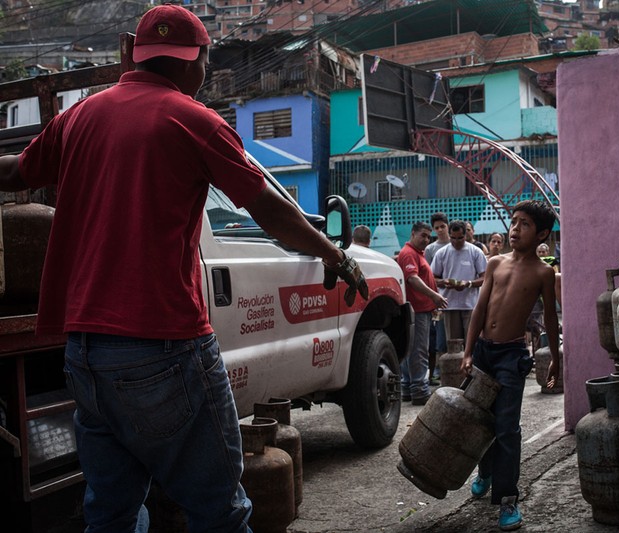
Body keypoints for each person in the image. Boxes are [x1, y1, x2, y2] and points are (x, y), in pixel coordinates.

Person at [0, 6, 368, 532]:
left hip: (84, 353)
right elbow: (270, 208)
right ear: (193, 62)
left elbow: (16, 171)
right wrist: (333, 253)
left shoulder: (81, 116)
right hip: (162, 347)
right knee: (219, 512)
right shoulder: (194, 120)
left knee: (111, 514)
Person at [461, 200, 558, 531]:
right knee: (477, 420)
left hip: (511, 357)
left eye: (525, 224)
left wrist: (556, 358)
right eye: (514, 222)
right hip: (485, 354)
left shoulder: (544, 272)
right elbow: (479, 309)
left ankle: (507, 500)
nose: (515, 229)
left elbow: (549, 319)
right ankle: (486, 470)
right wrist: (469, 351)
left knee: (506, 429)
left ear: (542, 233)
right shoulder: (494, 263)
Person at [396, 222, 447, 405]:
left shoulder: (417, 253)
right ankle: (419, 390)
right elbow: (412, 278)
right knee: (418, 351)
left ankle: (409, 388)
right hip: (416, 309)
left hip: (420, 309)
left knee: (412, 350)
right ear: (412, 234)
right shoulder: (409, 253)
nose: (426, 240)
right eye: (423, 235)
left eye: (428, 237)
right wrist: (434, 295)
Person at [430, 220, 487, 345]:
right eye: (453, 238)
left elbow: (485, 278)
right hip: (450, 306)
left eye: (460, 238)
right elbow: (432, 278)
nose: (456, 241)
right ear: (449, 235)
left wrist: (468, 283)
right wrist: (444, 282)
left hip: (471, 305)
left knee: (472, 344)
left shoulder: (475, 252)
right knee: (453, 346)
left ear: (465, 235)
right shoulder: (441, 253)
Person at [425, 212, 450, 383]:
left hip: (462, 300)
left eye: (443, 226)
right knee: (440, 341)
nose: (440, 230)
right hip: (439, 301)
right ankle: (441, 372)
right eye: (437, 228)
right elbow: (428, 276)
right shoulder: (430, 249)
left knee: (458, 338)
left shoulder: (459, 244)